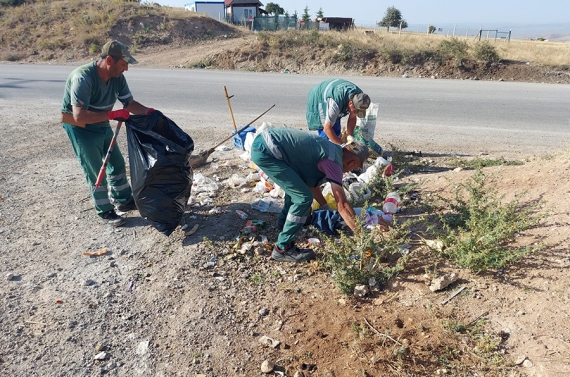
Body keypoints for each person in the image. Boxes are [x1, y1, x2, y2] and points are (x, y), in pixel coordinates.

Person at [61, 40, 155, 227]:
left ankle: (124, 200)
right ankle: (104, 210)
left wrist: (150, 113)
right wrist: (113, 114)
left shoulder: (117, 77)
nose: (126, 69)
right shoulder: (83, 78)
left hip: (100, 120)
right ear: (110, 60)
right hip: (78, 125)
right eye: (124, 64)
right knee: (96, 167)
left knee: (116, 162)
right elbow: (79, 116)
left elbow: (129, 103)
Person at [251, 127, 370, 263]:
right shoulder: (334, 162)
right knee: (303, 198)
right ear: (352, 162)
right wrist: (363, 237)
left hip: (265, 143)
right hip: (267, 151)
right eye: (354, 168)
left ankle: (284, 222)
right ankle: (282, 249)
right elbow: (342, 205)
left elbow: (311, 184)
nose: (350, 171)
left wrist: (325, 207)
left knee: (298, 188)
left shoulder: (332, 150)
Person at [306, 78, 371, 145]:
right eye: (355, 111)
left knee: (336, 132)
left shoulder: (360, 98)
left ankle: (336, 146)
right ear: (350, 103)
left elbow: (352, 116)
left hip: (335, 94)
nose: (355, 113)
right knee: (325, 137)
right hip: (319, 96)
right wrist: (343, 146)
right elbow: (327, 128)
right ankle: (324, 151)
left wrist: (350, 137)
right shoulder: (335, 103)